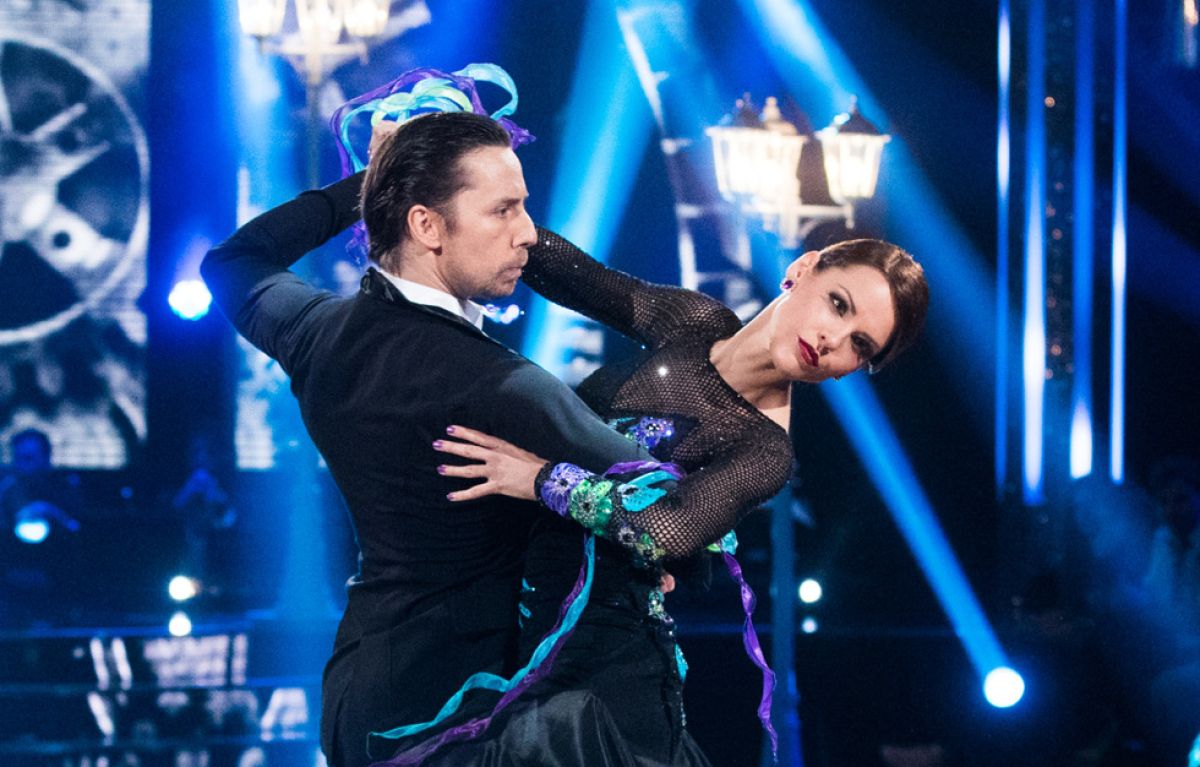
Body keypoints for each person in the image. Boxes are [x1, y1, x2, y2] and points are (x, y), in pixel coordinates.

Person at [200, 111, 655, 767]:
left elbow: (233, 261)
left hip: (361, 699)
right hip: (463, 715)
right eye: (503, 210)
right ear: (426, 226)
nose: (529, 233)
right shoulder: (499, 384)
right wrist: (546, 481)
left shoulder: (319, 333)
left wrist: (369, 181)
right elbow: (678, 508)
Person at [376, 227, 927, 765]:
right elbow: (571, 273)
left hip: (598, 661)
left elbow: (666, 530)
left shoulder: (764, 448)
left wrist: (540, 478)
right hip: (513, 601)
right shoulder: (694, 321)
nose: (833, 339)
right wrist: (478, 210)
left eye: (860, 345)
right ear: (803, 269)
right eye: (837, 303)